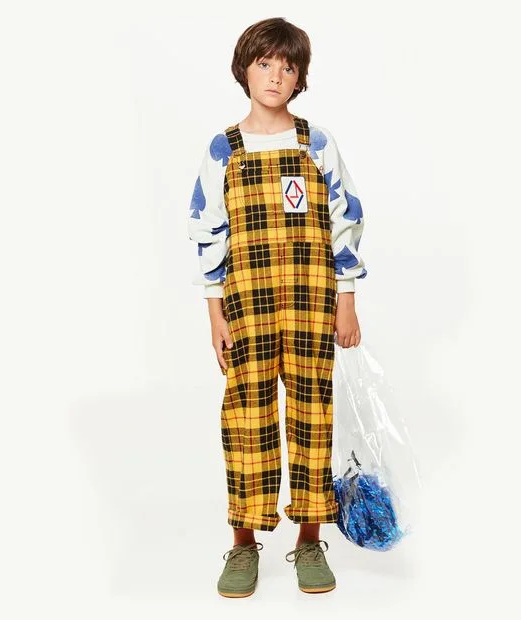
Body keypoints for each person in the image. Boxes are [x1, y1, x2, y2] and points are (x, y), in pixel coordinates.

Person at [187, 17, 367, 597]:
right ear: (244, 69)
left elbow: (345, 221)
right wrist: (214, 313)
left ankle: (310, 539)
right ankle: (243, 544)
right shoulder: (224, 149)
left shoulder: (316, 144)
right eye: (264, 63)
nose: (275, 76)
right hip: (247, 305)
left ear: (300, 78)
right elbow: (208, 232)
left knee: (313, 414)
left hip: (313, 302)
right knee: (247, 418)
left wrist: (347, 300)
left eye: (287, 67)